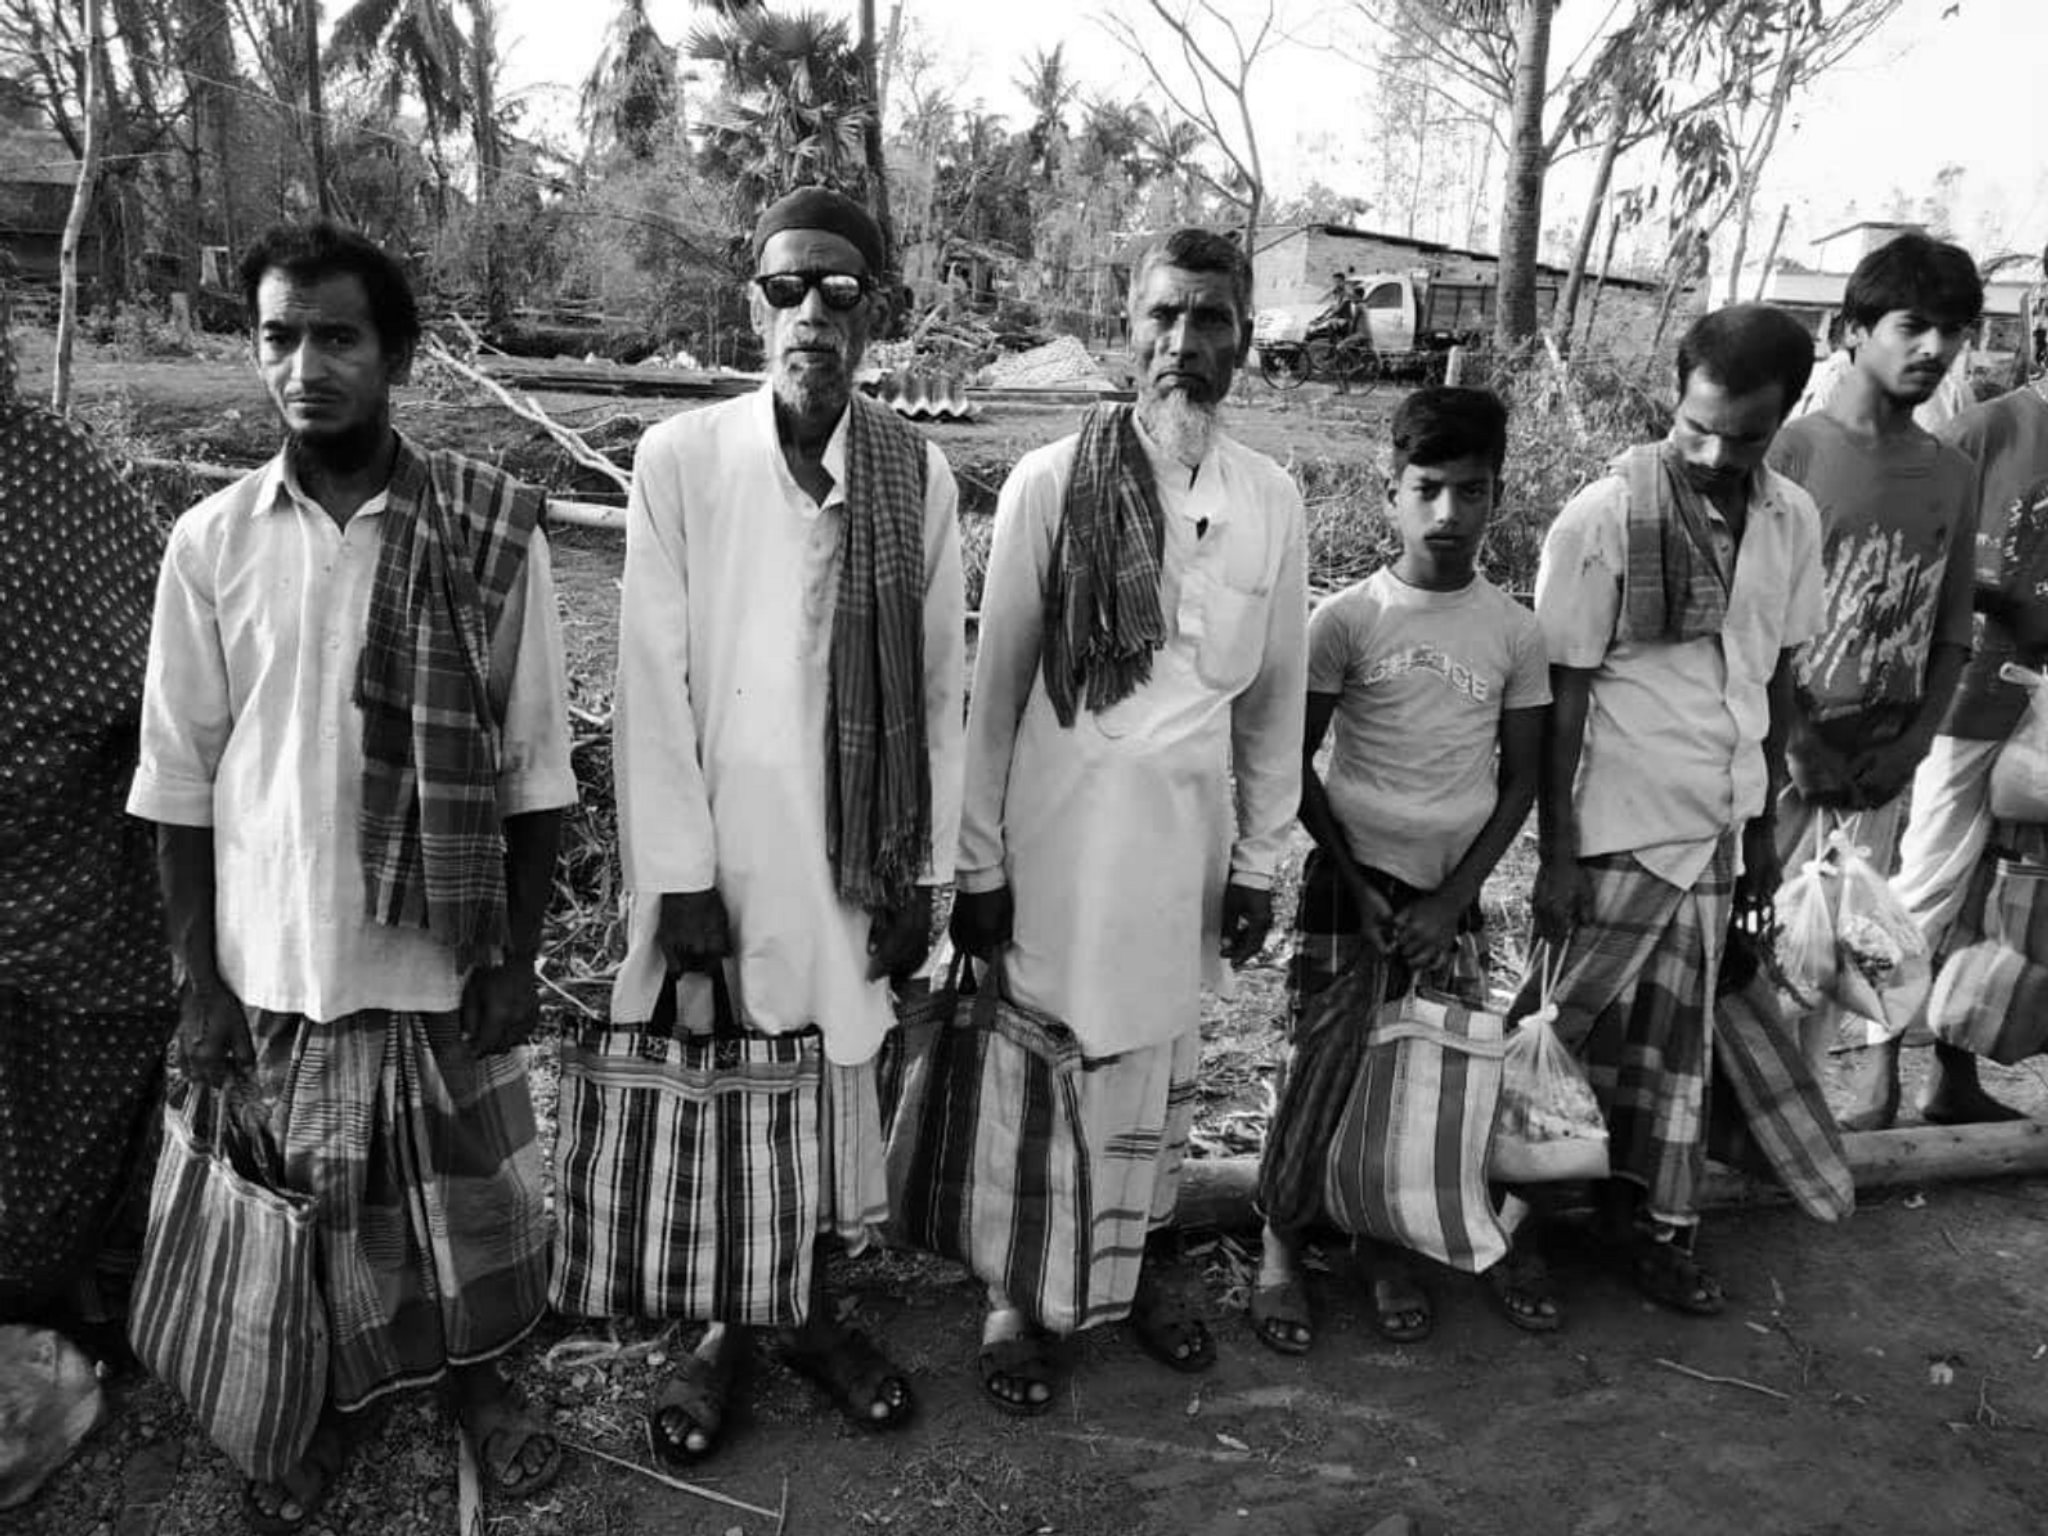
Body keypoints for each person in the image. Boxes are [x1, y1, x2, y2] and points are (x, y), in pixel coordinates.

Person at [128, 221, 574, 1530]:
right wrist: (199, 982)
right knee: (305, 1216)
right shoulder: (211, 541)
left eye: (337, 337)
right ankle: (315, 1399)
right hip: (279, 952)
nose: (305, 366)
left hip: (439, 950)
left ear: (397, 357)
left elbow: (535, 765)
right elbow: (178, 779)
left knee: (467, 1207)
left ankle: (481, 1387)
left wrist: (516, 959)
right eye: (279, 337)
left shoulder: (488, 532)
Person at [603, 188, 963, 1463]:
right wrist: (679, 877)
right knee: (721, 1083)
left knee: (823, 1082)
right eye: (785, 288)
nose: (811, 312)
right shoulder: (680, 461)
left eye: (838, 290)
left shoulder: (915, 475)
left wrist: (921, 873)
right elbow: (649, 683)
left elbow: (937, 684)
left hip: (853, 858)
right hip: (719, 852)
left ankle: (806, 1314)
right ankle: (721, 1329)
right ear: (754, 306)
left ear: (875, 313)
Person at [952, 226, 1307, 1411]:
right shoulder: (1049, 484)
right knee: (1045, 1066)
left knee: (1158, 1070)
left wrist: (1258, 861)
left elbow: (1272, 706)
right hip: (1056, 854)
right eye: (1163, 316)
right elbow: (993, 694)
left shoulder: (1269, 501)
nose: (1182, 343)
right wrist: (976, 868)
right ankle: (1018, 1289)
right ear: (1126, 330)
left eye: (1210, 320)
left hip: (1183, 862)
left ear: (1242, 341)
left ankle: (1143, 1264)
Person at [1531, 303, 1854, 1318]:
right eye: (1696, 428)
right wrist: (1555, 854)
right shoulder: (1601, 519)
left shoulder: (1791, 520)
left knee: (1672, 1056)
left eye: (1744, 437)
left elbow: (1774, 678)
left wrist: (1760, 834)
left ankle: (1647, 1228)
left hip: (1717, 831)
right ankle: (1515, 1223)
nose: (1715, 455)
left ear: (1783, 418)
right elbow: (1562, 697)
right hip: (1616, 830)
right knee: (1559, 1037)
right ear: (1673, 398)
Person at [1252, 387, 1550, 1356]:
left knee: (1418, 1077)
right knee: (1317, 1064)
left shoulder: (1513, 633)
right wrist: (1357, 880)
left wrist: (1453, 899)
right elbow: (1291, 763)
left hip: (1446, 899)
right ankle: (1280, 1243)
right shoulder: (1346, 620)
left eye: (1471, 491)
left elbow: (1521, 779)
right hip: (1349, 888)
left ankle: (1382, 1246)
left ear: (1496, 496)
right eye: (1426, 490)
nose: (1447, 514)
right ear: (1390, 494)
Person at [0, 268, 177, 1365]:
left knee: (62, 1126)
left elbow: (171, 685)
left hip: (73, 874)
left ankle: (65, 1287)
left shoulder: (52, 473)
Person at [1765, 234, 1983, 1096]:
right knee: (1757, 954)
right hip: (1781, 759)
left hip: (1879, 770)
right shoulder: (1791, 452)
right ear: (1853, 330)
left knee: (1836, 959)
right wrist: (1797, 742)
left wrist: (1913, 747)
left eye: (1953, 331)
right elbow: (1757, 622)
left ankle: (1796, 1127)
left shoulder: (1951, 471)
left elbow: (1953, 627)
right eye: (1912, 326)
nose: (1935, 348)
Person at [1871, 368, 2048, 1128]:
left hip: (2041, 714)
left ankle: (1953, 1075)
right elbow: (1911, 539)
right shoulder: (1987, 429)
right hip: (1970, 693)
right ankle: (1875, 1069)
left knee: (2002, 892)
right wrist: (2002, 599)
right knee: (1929, 881)